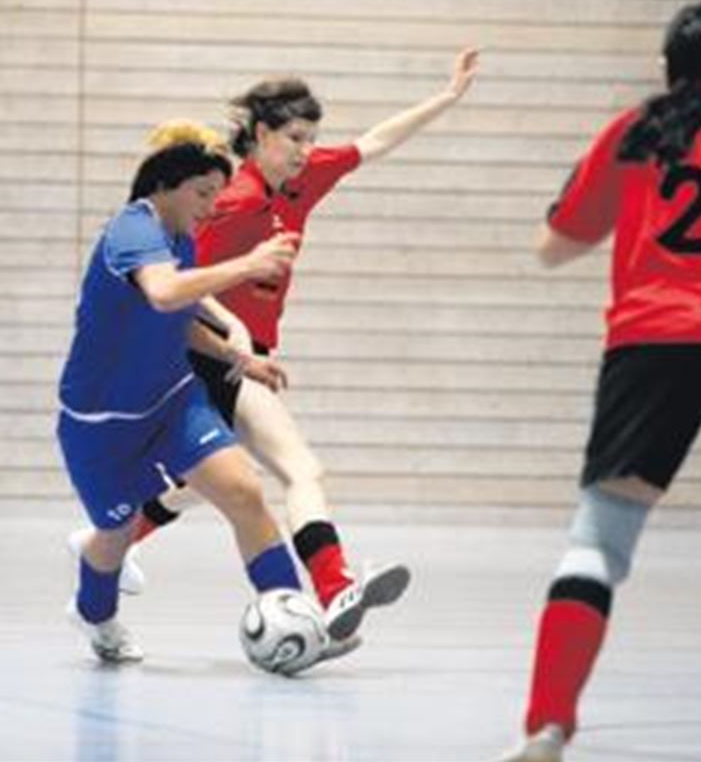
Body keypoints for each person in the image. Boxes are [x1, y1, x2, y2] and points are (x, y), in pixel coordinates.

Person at [497, 3, 701, 762]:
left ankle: (546, 728)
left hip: (649, 350)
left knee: (597, 548)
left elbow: (555, 245)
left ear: (664, 69)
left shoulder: (633, 131)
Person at [78, 46, 482, 643]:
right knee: (296, 469)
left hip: (246, 357)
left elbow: (374, 142)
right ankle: (333, 585)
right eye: (294, 137)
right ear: (261, 134)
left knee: (203, 486)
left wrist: (445, 98)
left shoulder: (304, 179)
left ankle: (105, 544)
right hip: (202, 358)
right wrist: (236, 344)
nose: (305, 149)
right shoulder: (230, 201)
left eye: (311, 137)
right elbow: (179, 287)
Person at [60, 121, 345, 665]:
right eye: (203, 193)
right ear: (164, 185)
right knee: (112, 539)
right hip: (101, 424)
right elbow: (166, 294)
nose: (212, 205)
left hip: (172, 401)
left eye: (218, 194)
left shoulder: (179, 239)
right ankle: (94, 614)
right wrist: (249, 264)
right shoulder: (132, 230)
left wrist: (238, 355)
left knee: (243, 489)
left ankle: (294, 616)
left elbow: (180, 321)